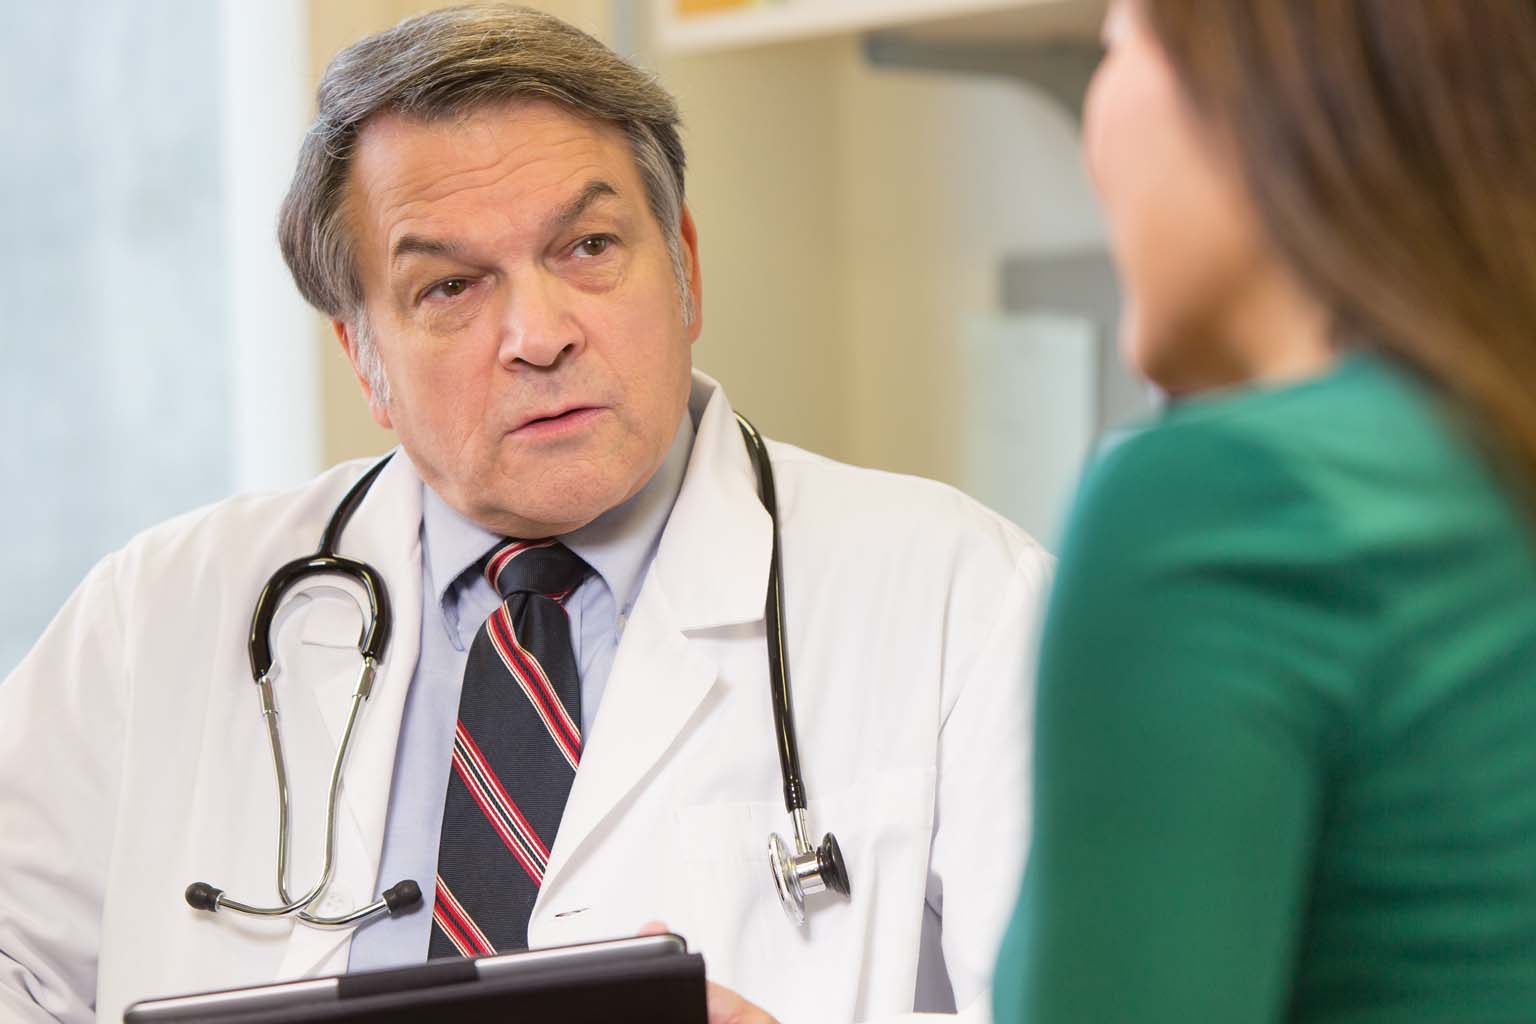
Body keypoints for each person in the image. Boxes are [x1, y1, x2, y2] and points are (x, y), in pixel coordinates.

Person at [0, 6, 1051, 1024]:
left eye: (588, 246)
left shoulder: (968, 600)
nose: (539, 334)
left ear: (685, 266)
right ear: (363, 355)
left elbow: (1100, 999)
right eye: (451, 287)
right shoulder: (154, 619)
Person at [993, 0, 1536, 1020]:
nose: (1096, 138)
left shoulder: (1212, 502)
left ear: (1259, 75)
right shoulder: (1488, 461)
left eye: (1117, 45)